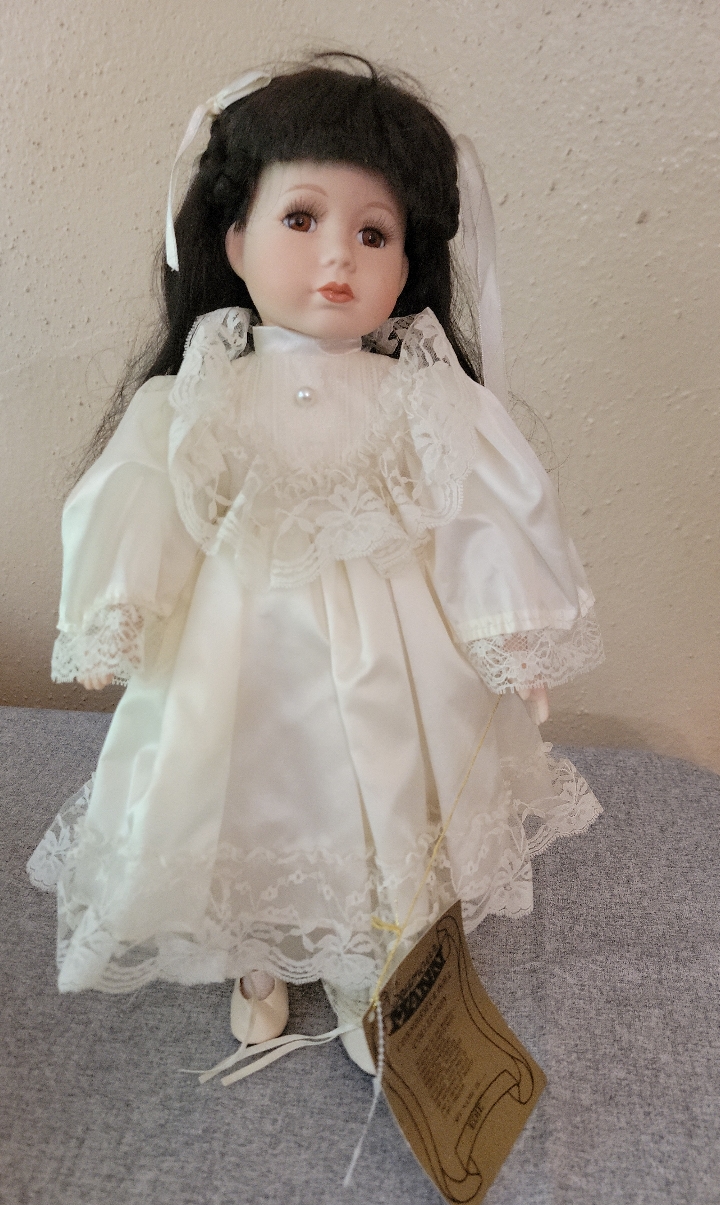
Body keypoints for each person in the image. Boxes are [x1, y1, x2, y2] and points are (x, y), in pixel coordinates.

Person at [29, 56, 604, 1076]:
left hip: (394, 658)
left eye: (373, 233)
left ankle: (362, 960)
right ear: (233, 239)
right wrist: (116, 614)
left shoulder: (426, 397)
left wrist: (515, 639)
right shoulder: (200, 391)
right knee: (240, 793)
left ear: (406, 263)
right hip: (236, 656)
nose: (338, 255)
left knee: (376, 801)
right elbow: (141, 494)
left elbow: (480, 516)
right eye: (301, 218)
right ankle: (258, 953)